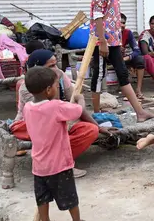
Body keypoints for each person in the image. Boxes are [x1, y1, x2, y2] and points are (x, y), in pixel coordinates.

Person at [11, 49, 107, 177]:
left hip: (58, 121)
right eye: (51, 66)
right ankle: (62, 165)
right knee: (54, 131)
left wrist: (98, 127)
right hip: (30, 125)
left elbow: (74, 105)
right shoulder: (28, 87)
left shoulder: (60, 75)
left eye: (56, 64)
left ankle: (60, 161)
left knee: (90, 130)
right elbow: (49, 111)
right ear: (38, 70)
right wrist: (76, 104)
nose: (56, 68)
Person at [90, 0, 154, 122]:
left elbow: (113, 13)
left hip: (113, 38)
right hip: (102, 39)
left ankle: (140, 112)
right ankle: (96, 115)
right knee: (99, 74)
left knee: (122, 73)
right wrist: (102, 40)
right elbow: (98, 14)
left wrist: (115, 38)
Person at [22, 66, 86, 221]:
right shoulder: (56, 107)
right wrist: (80, 98)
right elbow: (78, 111)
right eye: (57, 86)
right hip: (60, 164)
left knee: (42, 198)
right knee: (70, 196)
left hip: (39, 165)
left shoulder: (27, 108)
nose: (58, 88)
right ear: (49, 90)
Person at [120, 13, 145, 99]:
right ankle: (125, 90)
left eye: (123, 23)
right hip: (110, 57)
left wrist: (127, 57)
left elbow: (137, 50)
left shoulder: (127, 33)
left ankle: (138, 89)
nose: (122, 25)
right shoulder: (107, 33)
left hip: (123, 57)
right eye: (120, 22)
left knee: (140, 60)